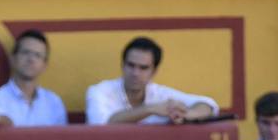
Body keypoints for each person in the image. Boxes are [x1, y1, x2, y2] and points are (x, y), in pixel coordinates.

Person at [85, 36, 218, 125]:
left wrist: (187, 113)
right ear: (122, 65)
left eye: (143, 68)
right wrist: (150, 109)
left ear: (154, 71)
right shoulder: (99, 91)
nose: (135, 73)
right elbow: (99, 124)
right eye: (131, 65)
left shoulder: (159, 93)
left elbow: (209, 104)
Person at [0, 30, 68, 127]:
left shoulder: (54, 103)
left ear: (44, 65)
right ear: (12, 58)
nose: (31, 59)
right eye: (25, 52)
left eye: (37, 55)